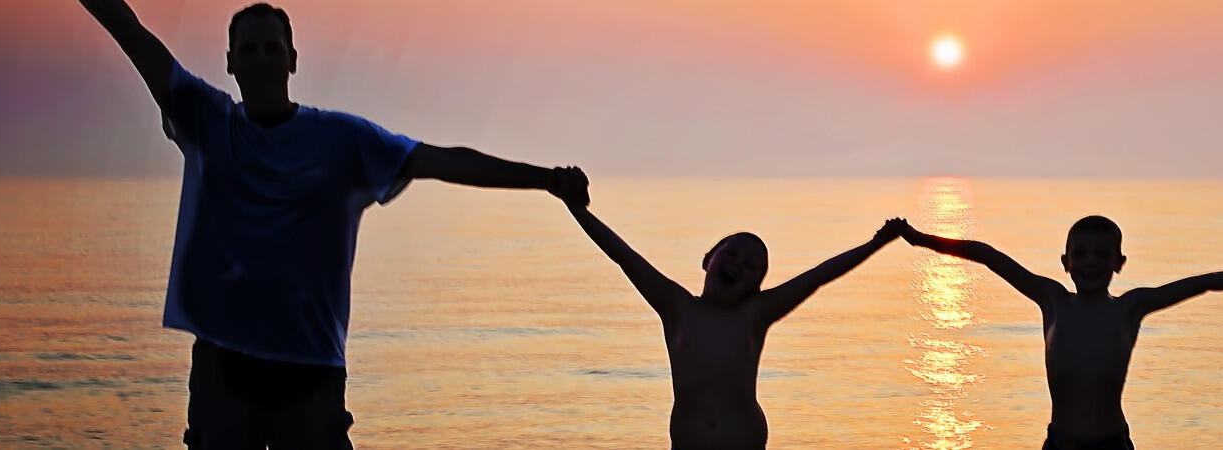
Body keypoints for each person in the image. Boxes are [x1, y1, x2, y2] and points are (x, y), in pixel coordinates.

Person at [77, 1, 592, 447]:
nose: (261, 59)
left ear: (292, 59)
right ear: (230, 62)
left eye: (272, 48)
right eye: (249, 50)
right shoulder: (207, 121)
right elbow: (129, 31)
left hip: (311, 371)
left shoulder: (343, 141)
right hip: (223, 369)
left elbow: (441, 161)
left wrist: (545, 179)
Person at [900, 216, 1223, 449]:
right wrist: (920, 238)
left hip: (1112, 445)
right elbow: (987, 255)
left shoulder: (1130, 307)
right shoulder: (1052, 299)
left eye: (1102, 254)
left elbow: (1207, 282)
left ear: (1119, 263)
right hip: (1060, 444)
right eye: (1080, 254)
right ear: (1065, 262)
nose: (1091, 262)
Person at [566, 207, 905, 448]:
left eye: (751, 266)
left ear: (756, 287)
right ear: (708, 260)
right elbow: (622, 255)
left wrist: (877, 243)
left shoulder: (756, 314)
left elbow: (818, 276)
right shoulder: (676, 306)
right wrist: (575, 206)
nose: (738, 264)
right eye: (731, 254)